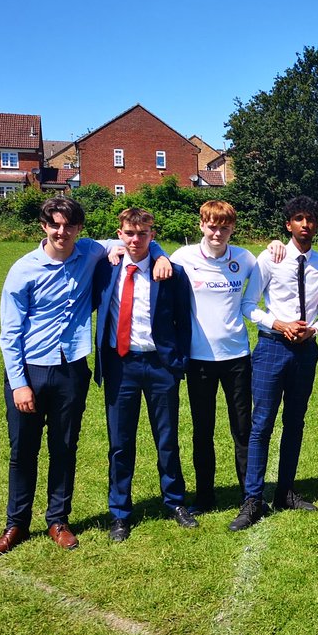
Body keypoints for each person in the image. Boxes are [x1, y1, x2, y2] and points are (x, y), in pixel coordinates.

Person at [0, 196, 171, 557]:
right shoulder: (23, 270)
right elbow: (9, 333)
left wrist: (162, 254)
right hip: (30, 371)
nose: (62, 231)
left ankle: (58, 520)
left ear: (79, 229)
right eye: (55, 224)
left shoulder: (89, 252)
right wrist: (19, 383)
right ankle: (16, 524)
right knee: (22, 451)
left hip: (72, 369)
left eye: (69, 226)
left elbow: (138, 239)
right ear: (44, 226)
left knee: (64, 448)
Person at [171, 201, 284, 515]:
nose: (217, 232)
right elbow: (153, 259)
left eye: (224, 227)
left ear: (232, 228)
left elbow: (269, 261)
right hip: (199, 359)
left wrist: (275, 243)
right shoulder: (183, 258)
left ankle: (249, 496)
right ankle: (205, 496)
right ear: (201, 225)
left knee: (242, 429)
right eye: (212, 226)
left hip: (237, 357)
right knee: (202, 429)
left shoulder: (244, 258)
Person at [230, 196, 318, 531]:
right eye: (299, 219)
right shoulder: (270, 258)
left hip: (305, 351)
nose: (306, 224)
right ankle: (252, 498)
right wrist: (279, 324)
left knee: (295, 422)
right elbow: (248, 304)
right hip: (272, 348)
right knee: (261, 424)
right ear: (288, 224)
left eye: (311, 219)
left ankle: (286, 491)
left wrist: (312, 330)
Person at [94, 207, 196, 543]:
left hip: (159, 365)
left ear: (152, 235)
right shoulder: (105, 268)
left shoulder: (170, 272)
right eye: (129, 233)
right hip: (120, 364)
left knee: (166, 440)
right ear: (120, 235)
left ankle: (175, 501)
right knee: (120, 443)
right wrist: (110, 249)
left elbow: (185, 320)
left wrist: (176, 362)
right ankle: (120, 513)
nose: (136, 239)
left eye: (143, 234)